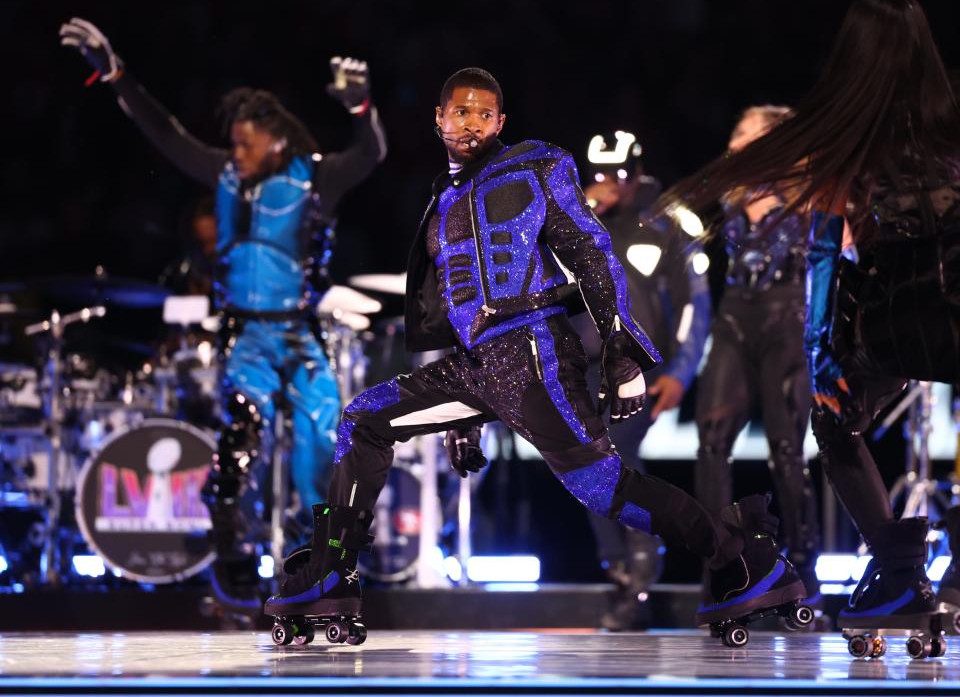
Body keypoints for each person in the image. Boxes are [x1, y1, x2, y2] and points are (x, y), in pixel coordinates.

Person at [263, 67, 806, 640]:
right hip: (474, 367)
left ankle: (742, 555)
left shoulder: (537, 166)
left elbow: (594, 255)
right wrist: (464, 423)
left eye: (484, 113)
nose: (471, 122)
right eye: (460, 111)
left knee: (602, 485)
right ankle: (333, 573)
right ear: (439, 119)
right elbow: (454, 299)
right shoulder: (442, 200)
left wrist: (622, 353)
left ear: (500, 121)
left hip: (533, 352)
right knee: (364, 418)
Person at [656, 0, 960, 638]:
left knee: (833, 423)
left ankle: (898, 562)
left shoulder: (846, 135)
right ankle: (935, 571)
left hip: (892, 316)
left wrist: (824, 357)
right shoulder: (948, 121)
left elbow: (826, 252)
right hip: (951, 308)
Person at [60, 18, 387, 613]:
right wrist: (117, 75)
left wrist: (361, 106)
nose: (235, 153)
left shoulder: (317, 176)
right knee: (237, 445)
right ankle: (233, 555)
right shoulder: (226, 176)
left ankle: (328, 568)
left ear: (277, 143)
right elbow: (166, 133)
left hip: (298, 332)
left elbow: (373, 152)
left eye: (245, 143)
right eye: (232, 144)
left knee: (325, 443)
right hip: (246, 335)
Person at [579, 130, 710, 630]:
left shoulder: (670, 221)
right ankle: (623, 570)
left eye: (617, 175)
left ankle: (638, 570)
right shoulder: (575, 219)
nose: (607, 184)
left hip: (642, 366)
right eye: (597, 174)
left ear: (636, 172)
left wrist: (680, 371)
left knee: (610, 456)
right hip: (586, 366)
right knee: (583, 464)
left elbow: (694, 305)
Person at [694, 106, 821, 600]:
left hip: (785, 318)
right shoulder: (730, 192)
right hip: (735, 317)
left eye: (748, 132)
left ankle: (803, 574)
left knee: (786, 447)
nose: (737, 140)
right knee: (712, 437)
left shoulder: (804, 194)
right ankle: (722, 566)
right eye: (736, 130)